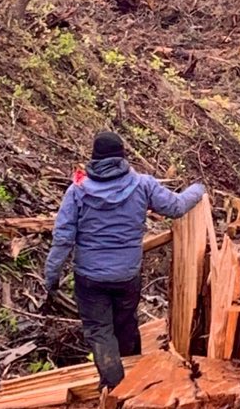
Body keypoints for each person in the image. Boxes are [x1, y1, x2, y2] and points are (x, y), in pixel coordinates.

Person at [43, 131, 206, 390]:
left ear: (94, 158)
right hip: (126, 276)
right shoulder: (142, 184)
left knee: (99, 331)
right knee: (126, 326)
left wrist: (51, 276)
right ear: (122, 156)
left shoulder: (78, 191)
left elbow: (63, 238)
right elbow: (175, 207)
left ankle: (115, 386)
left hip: (90, 278)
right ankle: (135, 383)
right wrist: (197, 189)